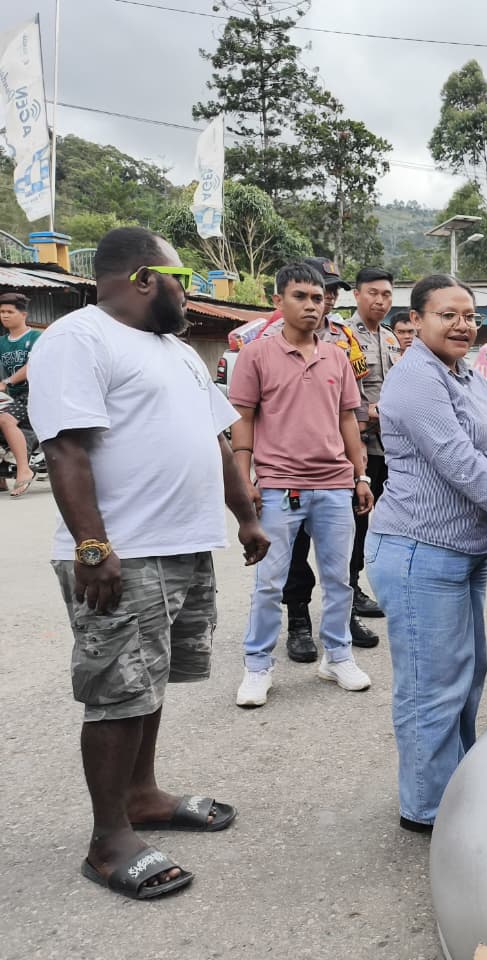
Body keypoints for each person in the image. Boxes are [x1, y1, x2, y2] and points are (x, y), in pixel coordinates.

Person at [27, 227, 269, 900]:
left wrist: (245, 515)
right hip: (121, 555)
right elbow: (66, 450)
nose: (184, 293)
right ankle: (108, 840)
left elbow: (215, 442)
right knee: (117, 692)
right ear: (142, 278)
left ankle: (142, 795)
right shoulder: (78, 339)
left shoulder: (177, 351)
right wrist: (93, 547)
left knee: (148, 681)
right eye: (180, 280)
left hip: (183, 547)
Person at [365, 274, 487, 833]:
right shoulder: (413, 380)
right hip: (418, 551)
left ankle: (456, 787)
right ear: (417, 322)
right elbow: (456, 460)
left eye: (469, 315)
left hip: (463, 549)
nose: (462, 324)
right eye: (447, 314)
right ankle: (427, 808)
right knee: (432, 684)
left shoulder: (467, 374)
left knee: (466, 673)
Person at [229, 262, 374, 708]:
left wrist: (360, 475)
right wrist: (244, 479)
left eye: (318, 297)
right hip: (278, 487)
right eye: (301, 297)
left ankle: (337, 657)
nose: (312, 305)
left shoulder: (336, 355)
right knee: (270, 582)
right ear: (278, 302)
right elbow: (243, 419)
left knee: (339, 579)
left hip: (334, 486)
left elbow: (348, 418)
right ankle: (257, 667)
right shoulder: (256, 355)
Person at [279, 257, 384, 657]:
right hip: (289, 467)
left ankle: (343, 615)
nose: (324, 298)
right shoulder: (270, 342)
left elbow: (351, 407)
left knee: (346, 544)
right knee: (294, 550)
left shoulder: (343, 338)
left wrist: (360, 472)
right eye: (315, 289)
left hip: (341, 459)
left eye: (329, 290)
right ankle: (299, 621)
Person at [346, 266, 400, 620]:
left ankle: (358, 586)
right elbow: (340, 390)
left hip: (388, 446)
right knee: (355, 520)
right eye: (373, 293)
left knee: (379, 520)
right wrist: (369, 411)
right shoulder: (342, 336)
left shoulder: (392, 339)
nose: (380, 301)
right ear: (357, 294)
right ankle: (348, 590)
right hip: (356, 444)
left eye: (386, 295)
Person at [0, 291, 38, 497]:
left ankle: (24, 469)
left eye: (9, 311)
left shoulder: (36, 337)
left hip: (34, 394)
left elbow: (33, 365)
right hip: (11, 395)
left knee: (6, 420)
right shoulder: (1, 342)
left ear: (23, 314)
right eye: (1, 312)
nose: (4, 315)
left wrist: (7, 382)